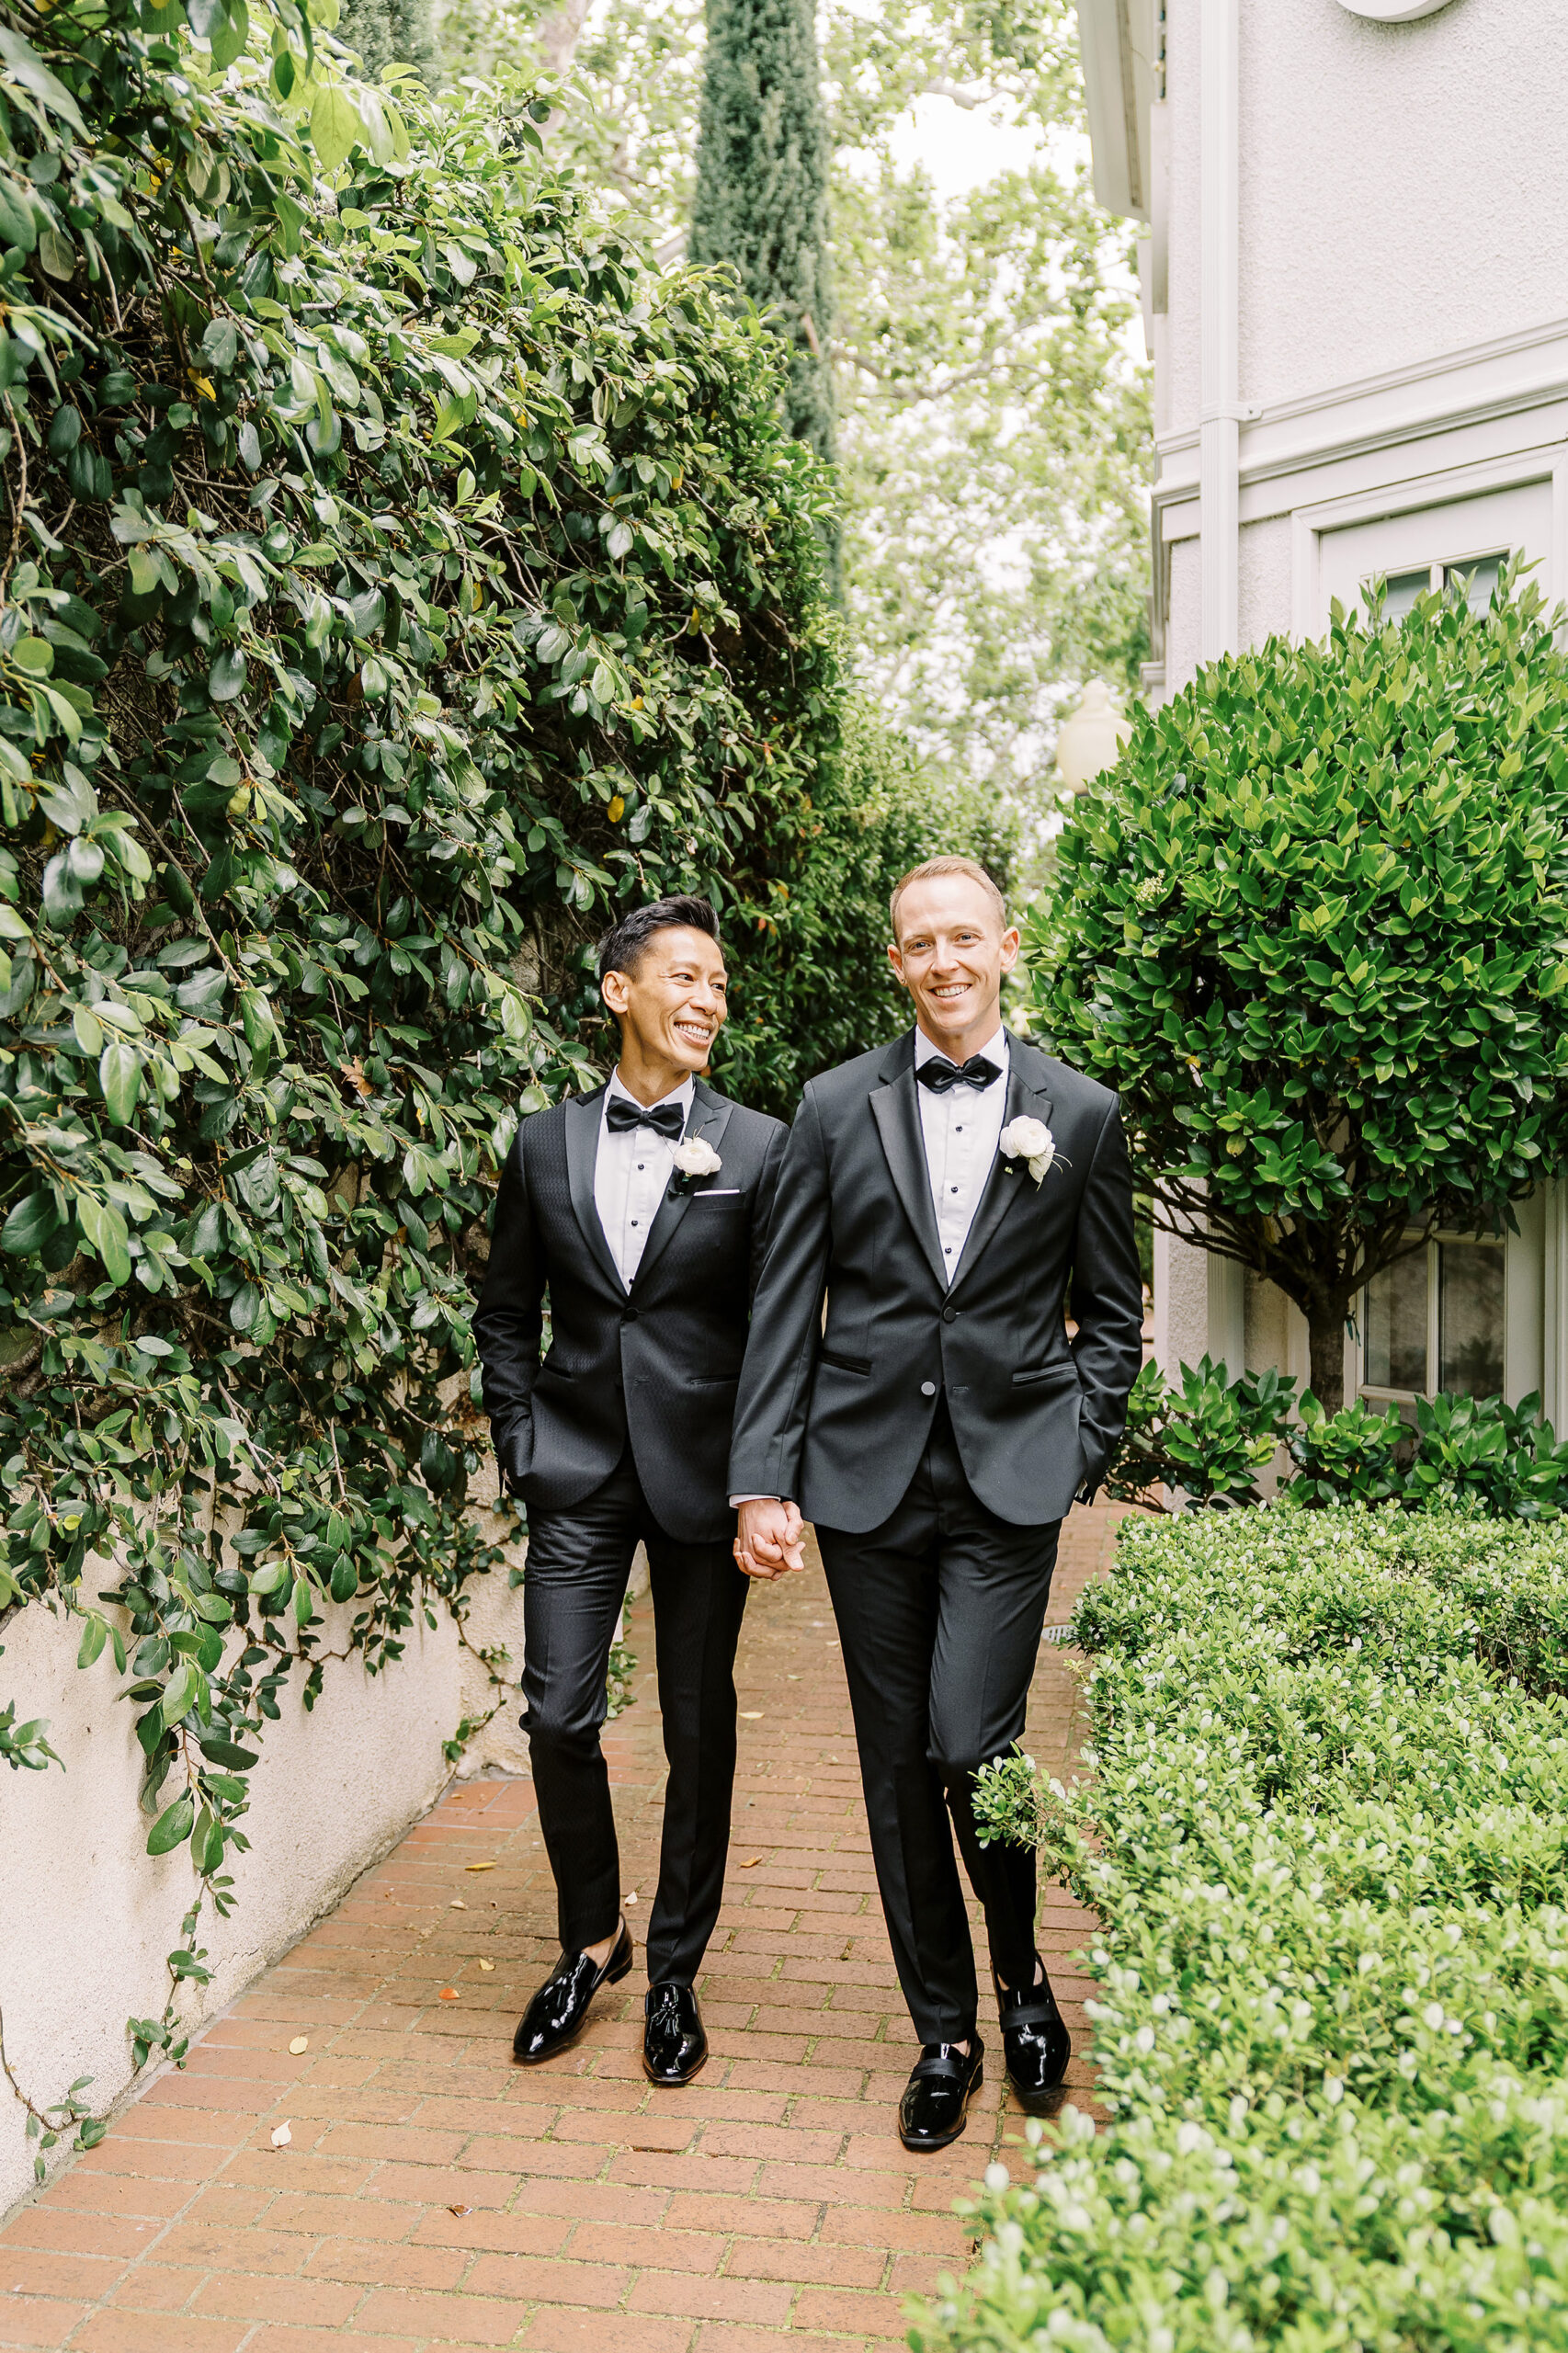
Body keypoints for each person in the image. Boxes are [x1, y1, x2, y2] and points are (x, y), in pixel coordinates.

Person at [727, 857, 1142, 2151]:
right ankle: (945, 2032)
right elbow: (783, 1304)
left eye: (965, 938)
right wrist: (763, 1478)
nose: (944, 962)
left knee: (973, 1739)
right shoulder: (830, 1107)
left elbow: (1113, 1314)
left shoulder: (1080, 1114)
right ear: (897, 962)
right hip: (865, 1480)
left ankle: (1023, 1978)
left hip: (1010, 1481)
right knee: (898, 1760)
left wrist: (1077, 1447)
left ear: (1006, 948)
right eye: (921, 944)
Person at [472, 896, 788, 2087]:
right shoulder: (541, 1144)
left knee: (698, 1725)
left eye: (719, 984)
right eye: (684, 978)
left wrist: (764, 1480)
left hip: (706, 1478)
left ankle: (674, 1974)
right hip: (577, 1470)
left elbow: (777, 1332)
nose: (708, 1000)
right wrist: (521, 1439)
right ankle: (592, 1938)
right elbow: (506, 1311)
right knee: (558, 1714)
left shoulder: (758, 1148)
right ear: (619, 991)